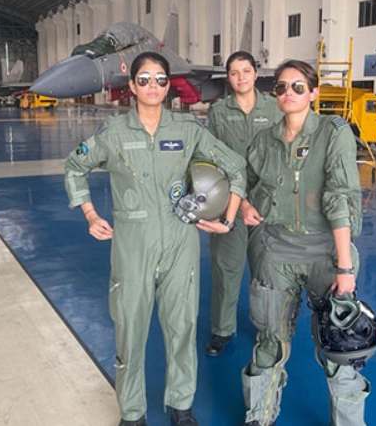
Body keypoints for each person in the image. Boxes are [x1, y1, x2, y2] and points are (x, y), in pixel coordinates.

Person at [64, 52, 246, 426]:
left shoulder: (187, 130)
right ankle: (132, 412)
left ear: (168, 85)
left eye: (160, 79)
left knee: (182, 327)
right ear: (131, 86)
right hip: (133, 249)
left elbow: (235, 166)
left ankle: (181, 404)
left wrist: (227, 217)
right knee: (130, 331)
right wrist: (90, 214)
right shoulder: (113, 134)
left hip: (181, 244)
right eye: (144, 79)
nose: (153, 86)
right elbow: (75, 167)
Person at [240, 60, 370, 426]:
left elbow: (339, 197)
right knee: (269, 344)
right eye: (281, 87)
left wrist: (345, 268)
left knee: (339, 350)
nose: (288, 94)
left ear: (313, 92)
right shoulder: (263, 141)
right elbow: (246, 183)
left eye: (298, 87)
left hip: (325, 256)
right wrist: (245, 205)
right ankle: (259, 417)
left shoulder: (334, 132)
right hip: (275, 254)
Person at [204, 51, 283, 356]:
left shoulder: (274, 109)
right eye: (234, 72)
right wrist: (242, 202)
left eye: (246, 71)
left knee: (269, 272)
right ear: (228, 77)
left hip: (269, 205)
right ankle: (222, 330)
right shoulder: (219, 112)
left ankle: (269, 329)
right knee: (227, 268)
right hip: (230, 204)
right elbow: (212, 159)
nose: (240, 77)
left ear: (255, 73)